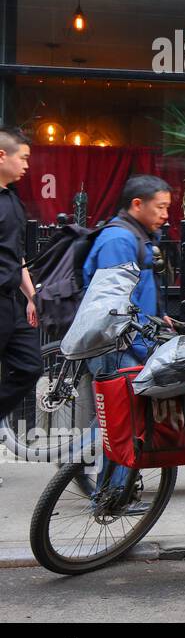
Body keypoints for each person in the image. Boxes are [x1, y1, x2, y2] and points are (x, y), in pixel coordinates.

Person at [82, 175, 171, 377]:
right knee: (123, 407)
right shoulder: (118, 241)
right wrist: (145, 348)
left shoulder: (138, 235)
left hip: (132, 341)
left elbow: (144, 285)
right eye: (160, 207)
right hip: (118, 347)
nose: (165, 215)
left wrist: (160, 314)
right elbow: (118, 306)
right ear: (137, 204)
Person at [0, 127, 39, 431]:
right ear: (2, 156)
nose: (27, 165)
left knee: (30, 367)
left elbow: (17, 254)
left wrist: (31, 295)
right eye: (23, 158)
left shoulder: (13, 201)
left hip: (11, 302)